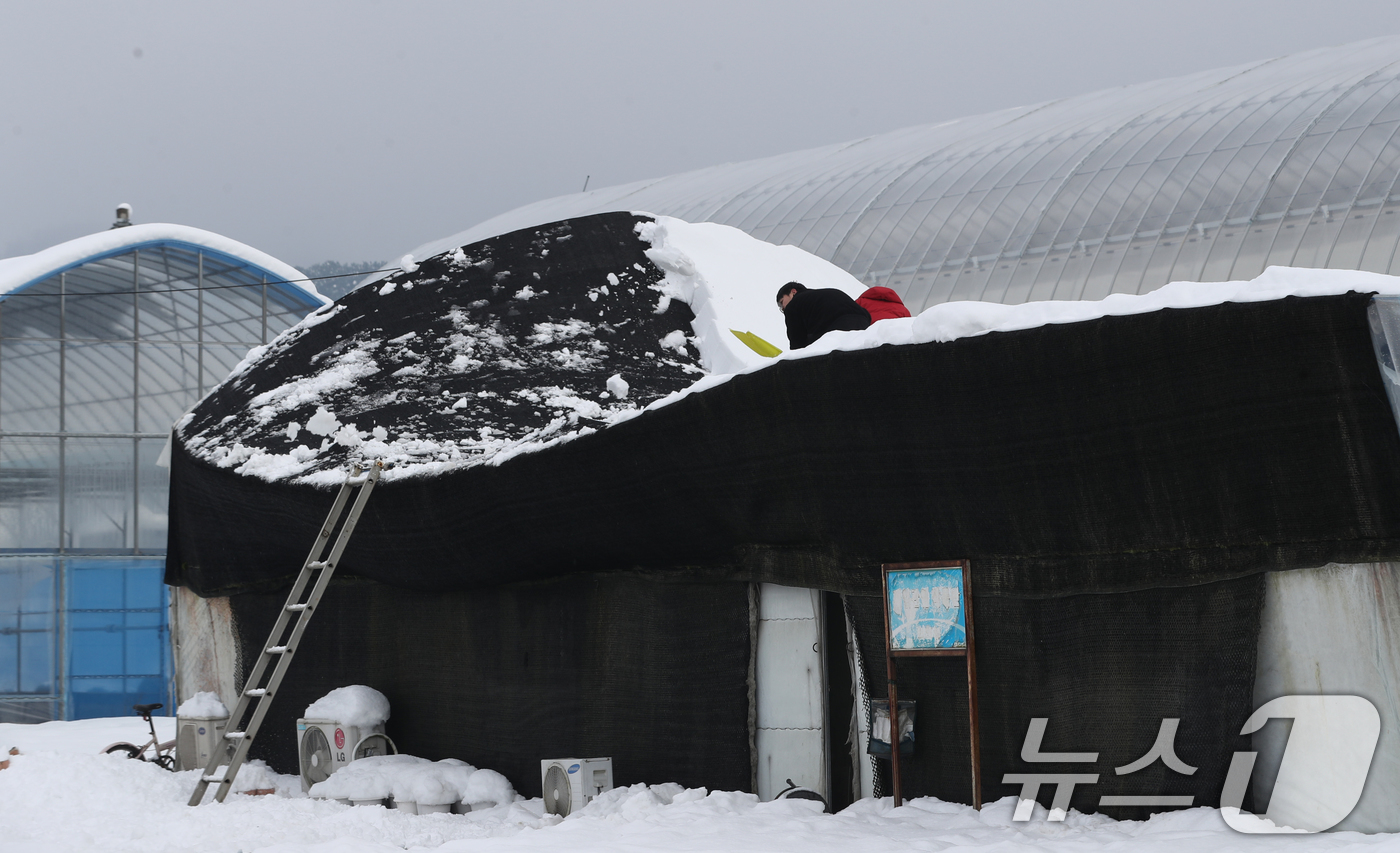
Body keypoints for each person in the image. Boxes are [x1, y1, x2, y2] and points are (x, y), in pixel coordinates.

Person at [776, 281, 871, 349]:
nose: (783, 308)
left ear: (793, 291)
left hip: (835, 331)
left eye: (781, 302)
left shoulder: (793, 305)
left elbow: (797, 340)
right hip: (863, 324)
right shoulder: (825, 293)